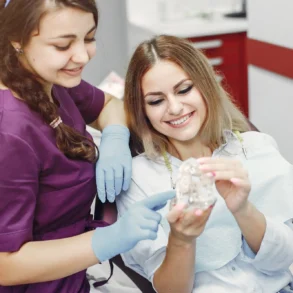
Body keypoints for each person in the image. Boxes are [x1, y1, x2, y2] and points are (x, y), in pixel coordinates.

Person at [0, 1, 175, 292]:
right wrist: (108, 239)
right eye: (62, 45)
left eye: (89, 38)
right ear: (16, 40)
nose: (82, 55)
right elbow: (5, 264)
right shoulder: (10, 132)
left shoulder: (46, 80)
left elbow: (109, 105)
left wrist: (115, 137)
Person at [116, 34, 293, 293]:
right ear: (142, 111)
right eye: (156, 101)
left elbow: (283, 262)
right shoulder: (138, 178)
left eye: (184, 89)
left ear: (206, 85)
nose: (175, 108)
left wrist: (243, 210)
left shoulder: (256, 148)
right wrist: (182, 240)